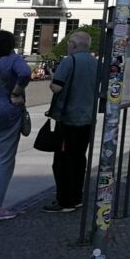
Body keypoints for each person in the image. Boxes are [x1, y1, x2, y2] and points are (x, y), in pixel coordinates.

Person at [44, 31, 98, 213]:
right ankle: (76, 197)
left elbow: (56, 87)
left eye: (68, 44)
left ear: (74, 45)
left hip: (69, 118)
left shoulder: (69, 61)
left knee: (62, 161)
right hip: (88, 119)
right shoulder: (95, 62)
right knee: (79, 158)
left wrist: (52, 81)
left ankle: (65, 200)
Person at [0, 31, 31, 221]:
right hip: (6, 113)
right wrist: (17, 92)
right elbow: (25, 73)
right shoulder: (13, 59)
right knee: (2, 159)